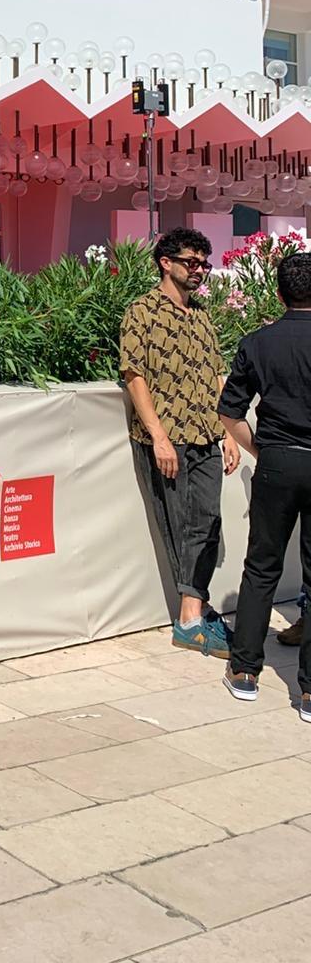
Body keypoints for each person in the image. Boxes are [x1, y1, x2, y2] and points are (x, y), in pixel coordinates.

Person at [120, 228, 240, 656]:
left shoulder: (202, 315)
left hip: (206, 433)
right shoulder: (141, 312)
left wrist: (228, 432)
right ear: (165, 262)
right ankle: (190, 618)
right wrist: (158, 437)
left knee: (207, 521)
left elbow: (216, 375)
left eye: (204, 263)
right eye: (191, 262)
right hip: (168, 437)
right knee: (183, 524)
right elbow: (134, 375)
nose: (199, 270)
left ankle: (195, 611)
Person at [218, 251, 311, 721]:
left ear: (278, 293)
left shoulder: (258, 343)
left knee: (261, 566)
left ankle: (245, 671)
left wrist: (260, 450)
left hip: (276, 461)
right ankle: (309, 693)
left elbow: (229, 412)